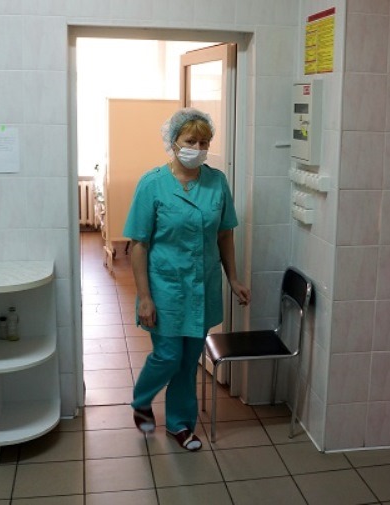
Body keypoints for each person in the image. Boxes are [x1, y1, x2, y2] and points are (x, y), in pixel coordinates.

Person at [123, 107, 250, 451]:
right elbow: (139, 244)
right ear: (174, 141)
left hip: (202, 287)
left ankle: (180, 425)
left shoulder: (217, 182)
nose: (198, 147)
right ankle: (142, 399)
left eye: (204, 142)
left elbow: (225, 234)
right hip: (164, 286)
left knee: (188, 362)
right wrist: (144, 297)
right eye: (191, 141)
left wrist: (234, 278)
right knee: (167, 356)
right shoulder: (152, 184)